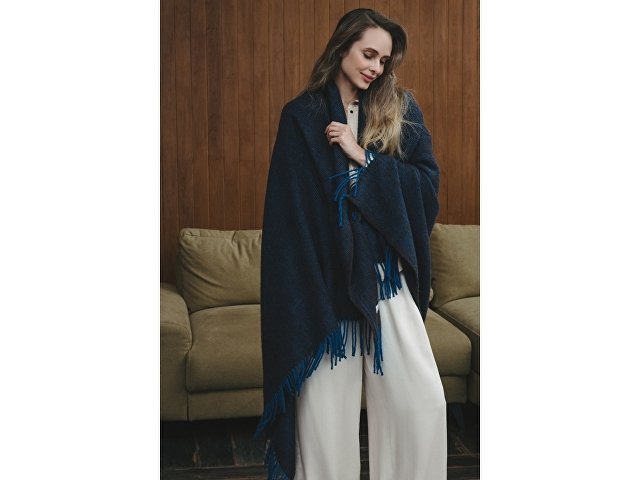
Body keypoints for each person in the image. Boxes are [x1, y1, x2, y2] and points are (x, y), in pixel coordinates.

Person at [255, 8, 445, 480]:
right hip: (324, 288)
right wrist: (308, 290)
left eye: (384, 60)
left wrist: (363, 159)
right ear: (342, 47)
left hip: (385, 280)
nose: (376, 67)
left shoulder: (400, 110)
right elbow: (289, 217)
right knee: (323, 425)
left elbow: (426, 187)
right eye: (368, 54)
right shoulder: (302, 118)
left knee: (421, 404)